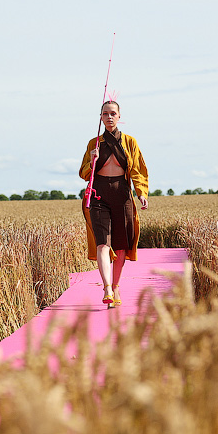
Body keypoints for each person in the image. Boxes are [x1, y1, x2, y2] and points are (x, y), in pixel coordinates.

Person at [79, 100, 149, 306]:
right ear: (100, 118)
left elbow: (137, 170)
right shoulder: (94, 144)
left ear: (119, 117)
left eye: (113, 114)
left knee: (120, 247)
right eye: (105, 114)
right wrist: (92, 161)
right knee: (103, 242)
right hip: (98, 194)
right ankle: (107, 288)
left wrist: (141, 193)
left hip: (122, 195)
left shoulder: (129, 142)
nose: (109, 117)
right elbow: (83, 173)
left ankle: (116, 287)